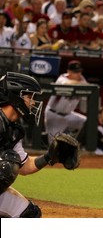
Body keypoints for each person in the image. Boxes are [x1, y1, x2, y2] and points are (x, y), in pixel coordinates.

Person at [0, 72, 63, 217]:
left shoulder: (13, 129)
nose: (33, 103)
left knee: (29, 215)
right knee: (6, 164)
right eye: (29, 97)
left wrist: (49, 157)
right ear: (15, 96)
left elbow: (25, 166)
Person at [44, 60, 88, 143]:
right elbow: (68, 83)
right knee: (53, 145)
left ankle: (75, 143)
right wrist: (81, 83)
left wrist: (81, 82)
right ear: (68, 71)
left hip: (69, 115)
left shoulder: (81, 79)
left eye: (79, 72)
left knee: (87, 122)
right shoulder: (61, 78)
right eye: (75, 72)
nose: (78, 74)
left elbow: (88, 87)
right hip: (54, 116)